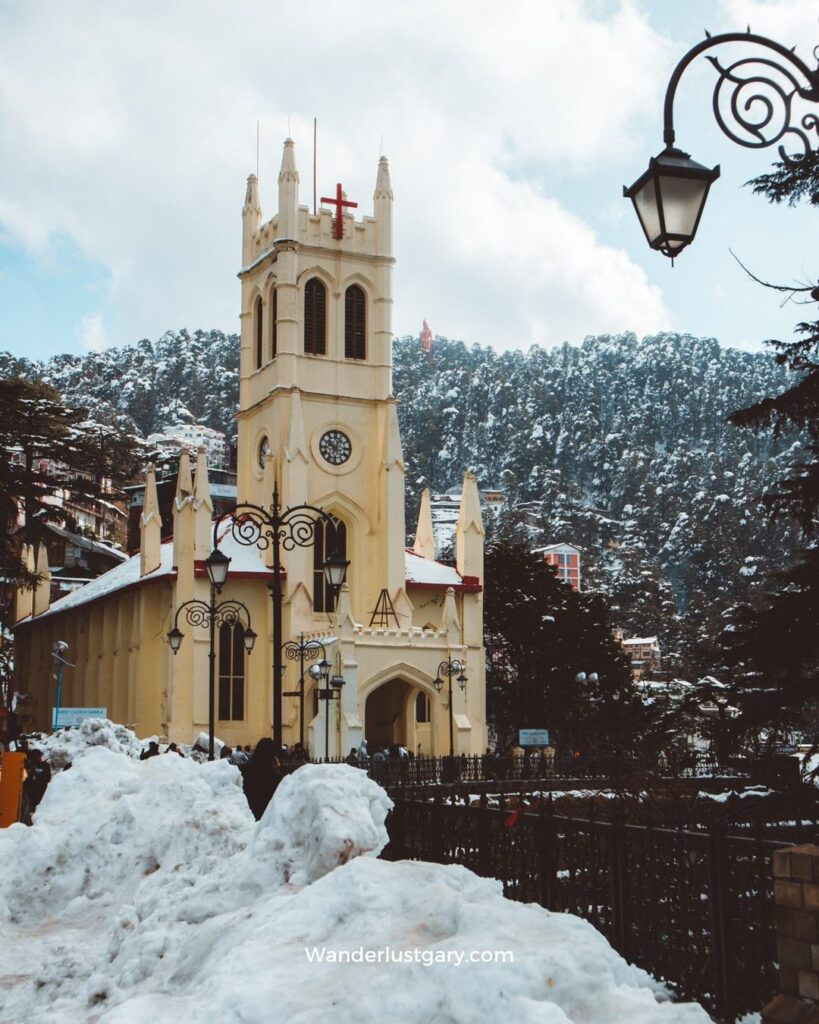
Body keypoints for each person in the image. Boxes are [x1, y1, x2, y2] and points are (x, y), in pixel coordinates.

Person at [240, 737, 283, 821]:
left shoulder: (244, 770)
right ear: (273, 756)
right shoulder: (274, 777)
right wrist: (277, 770)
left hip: (247, 815)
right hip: (265, 817)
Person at [23, 749, 51, 822]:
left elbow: (48, 778)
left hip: (41, 791)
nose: (36, 759)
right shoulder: (28, 766)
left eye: (38, 757)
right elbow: (23, 779)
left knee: (40, 808)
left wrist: (39, 777)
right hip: (30, 793)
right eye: (34, 757)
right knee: (30, 808)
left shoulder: (45, 765)